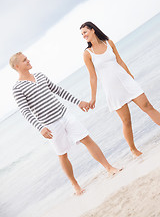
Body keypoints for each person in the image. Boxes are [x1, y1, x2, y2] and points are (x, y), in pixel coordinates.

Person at [9, 52, 121, 195]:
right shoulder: (17, 88)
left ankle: (109, 168)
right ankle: (75, 185)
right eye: (25, 60)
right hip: (50, 125)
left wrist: (78, 102)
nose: (28, 60)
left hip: (65, 115)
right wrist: (40, 128)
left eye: (27, 58)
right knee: (62, 155)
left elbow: (58, 91)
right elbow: (25, 111)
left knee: (87, 139)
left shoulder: (40, 76)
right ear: (17, 66)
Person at [80, 21, 160, 157]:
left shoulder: (109, 42)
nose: (83, 35)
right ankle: (133, 149)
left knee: (147, 106)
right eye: (82, 34)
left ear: (93, 30)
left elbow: (120, 61)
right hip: (112, 88)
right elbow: (92, 77)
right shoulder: (88, 54)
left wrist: (130, 77)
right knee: (126, 120)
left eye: (85, 32)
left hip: (126, 81)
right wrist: (93, 97)